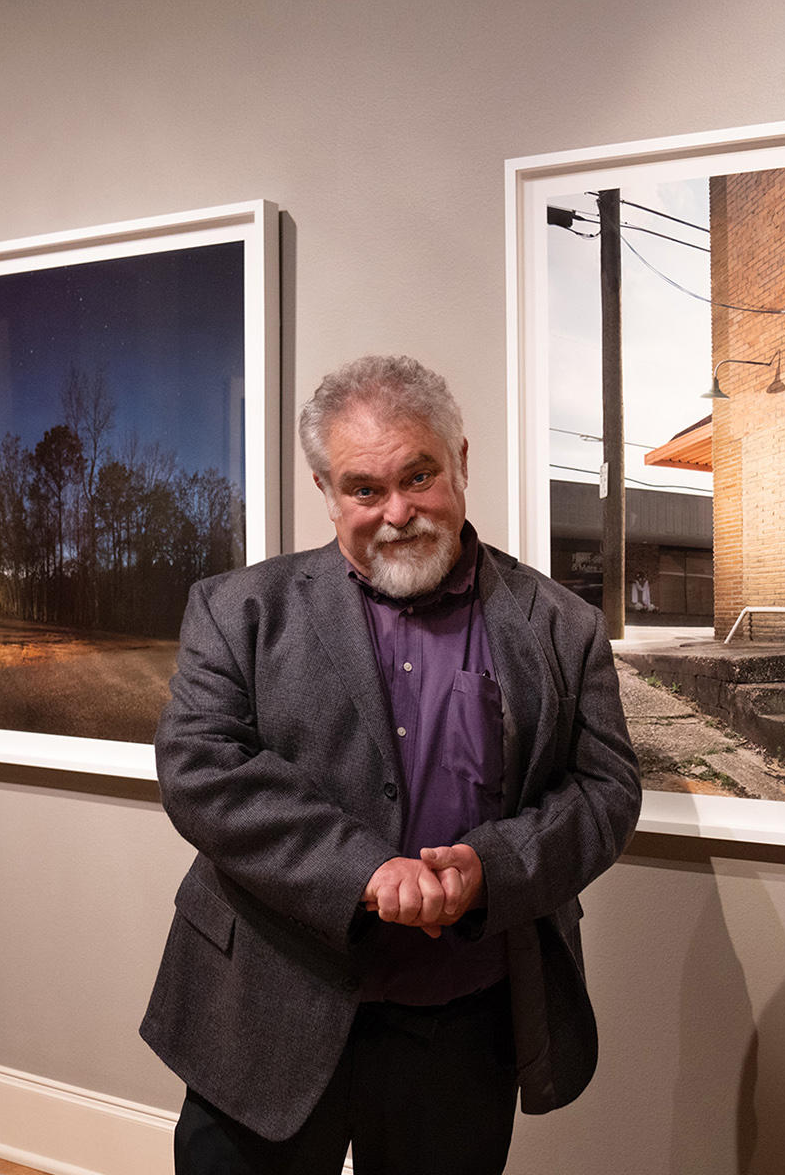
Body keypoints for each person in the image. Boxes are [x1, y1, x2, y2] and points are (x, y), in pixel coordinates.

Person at [141, 354, 641, 1175]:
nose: (398, 511)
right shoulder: (237, 610)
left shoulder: (562, 626)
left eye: (420, 476)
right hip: (266, 1003)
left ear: (462, 463)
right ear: (327, 492)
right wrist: (368, 871)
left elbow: (606, 790)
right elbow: (201, 768)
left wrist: (491, 868)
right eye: (365, 489)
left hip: (460, 1021)